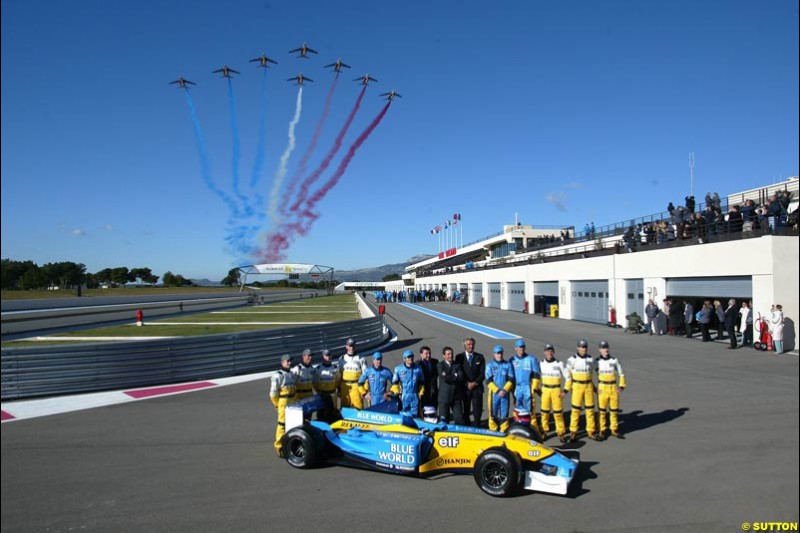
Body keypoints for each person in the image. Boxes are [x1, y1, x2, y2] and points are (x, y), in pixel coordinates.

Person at [566, 339, 600, 441]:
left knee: (590, 410)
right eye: (581, 347)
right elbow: (567, 375)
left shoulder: (591, 359)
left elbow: (597, 372)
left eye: (584, 347)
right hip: (576, 386)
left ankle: (591, 431)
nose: (583, 349)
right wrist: (568, 388)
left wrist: (595, 387)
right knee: (575, 410)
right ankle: (573, 431)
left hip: (588, 386)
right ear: (577, 348)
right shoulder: (571, 360)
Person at [595, 341, 627, 439]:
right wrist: (594, 388)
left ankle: (614, 429)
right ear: (599, 350)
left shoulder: (614, 360)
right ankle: (602, 430)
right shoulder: (596, 361)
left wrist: (621, 386)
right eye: (603, 348)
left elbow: (621, 373)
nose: (605, 350)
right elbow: (589, 375)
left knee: (614, 410)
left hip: (613, 387)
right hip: (602, 388)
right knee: (602, 411)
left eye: (606, 347)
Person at [509, 339, 542, 433]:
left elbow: (536, 374)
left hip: (528, 387)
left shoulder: (531, 359)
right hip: (517, 388)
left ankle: (534, 430)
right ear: (515, 348)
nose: (521, 349)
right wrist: (512, 388)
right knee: (517, 410)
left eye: (523, 347)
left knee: (530, 410)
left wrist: (534, 387)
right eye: (519, 347)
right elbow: (510, 375)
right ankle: (518, 428)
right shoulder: (512, 360)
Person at [539, 344, 569, 443]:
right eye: (547, 351)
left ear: (554, 352)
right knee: (544, 413)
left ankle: (560, 432)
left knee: (558, 413)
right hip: (545, 390)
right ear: (544, 352)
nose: (549, 353)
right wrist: (537, 389)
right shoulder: (541, 363)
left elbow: (568, 378)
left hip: (556, 391)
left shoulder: (559, 363)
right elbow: (535, 376)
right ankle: (544, 430)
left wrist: (565, 390)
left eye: (551, 351)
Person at [270, 354, 297, 455]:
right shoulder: (278, 375)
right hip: (283, 402)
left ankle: (290, 443)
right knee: (282, 425)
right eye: (287, 361)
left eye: (290, 361)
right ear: (282, 363)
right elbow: (273, 394)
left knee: (293, 424)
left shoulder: (291, 373)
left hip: (292, 402)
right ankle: (279, 446)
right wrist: (277, 405)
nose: (290, 363)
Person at [455, 337, 486, 427]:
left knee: (477, 410)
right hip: (465, 388)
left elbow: (483, 373)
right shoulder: (459, 357)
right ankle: (467, 427)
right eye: (469, 344)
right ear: (464, 346)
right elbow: (459, 372)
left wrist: (475, 383)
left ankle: (477, 426)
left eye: (472, 344)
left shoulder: (480, 357)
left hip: (477, 388)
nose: (471, 346)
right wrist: (467, 383)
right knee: (466, 409)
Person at [485, 345, 515, 432]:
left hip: (505, 394)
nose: (499, 355)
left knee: (504, 415)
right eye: (497, 353)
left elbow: (511, 379)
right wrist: (497, 390)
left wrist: (505, 390)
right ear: (494, 354)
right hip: (494, 394)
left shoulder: (508, 365)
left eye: (501, 353)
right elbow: (488, 380)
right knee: (493, 415)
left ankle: (503, 432)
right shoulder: (489, 365)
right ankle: (493, 431)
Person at [391, 350, 425, 414]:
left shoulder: (418, 368)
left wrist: (421, 392)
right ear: (404, 359)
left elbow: (422, 382)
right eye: (408, 357)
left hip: (415, 395)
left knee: (415, 414)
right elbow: (395, 383)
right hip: (404, 395)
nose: (411, 358)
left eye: (412, 356)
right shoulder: (398, 369)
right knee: (405, 414)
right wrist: (397, 393)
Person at [437, 346, 465, 424]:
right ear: (444, 355)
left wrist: (452, 375)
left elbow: (461, 376)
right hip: (444, 397)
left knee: (459, 418)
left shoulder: (457, 364)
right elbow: (445, 378)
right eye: (448, 354)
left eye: (451, 354)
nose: (450, 356)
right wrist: (455, 375)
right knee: (444, 420)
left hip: (456, 397)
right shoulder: (440, 365)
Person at [339, 338, 367, 409]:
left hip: (356, 386)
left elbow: (365, 375)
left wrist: (365, 390)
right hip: (345, 387)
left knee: (358, 408)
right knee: (344, 409)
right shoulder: (341, 359)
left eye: (353, 346)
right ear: (346, 347)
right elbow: (339, 375)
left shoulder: (361, 358)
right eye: (350, 346)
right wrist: (339, 389)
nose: (351, 348)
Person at [313, 349, 340, 419]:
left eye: (329, 355)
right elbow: (314, 383)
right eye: (326, 355)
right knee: (321, 414)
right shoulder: (318, 369)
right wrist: (319, 392)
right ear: (322, 357)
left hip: (332, 395)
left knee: (332, 414)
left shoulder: (335, 368)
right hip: (322, 395)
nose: (328, 357)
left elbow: (338, 381)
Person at [417, 346, 439, 416]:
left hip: (433, 390)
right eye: (426, 354)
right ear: (421, 354)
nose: (428, 355)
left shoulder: (435, 362)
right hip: (423, 390)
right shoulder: (418, 364)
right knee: (423, 408)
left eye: (429, 353)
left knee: (434, 407)